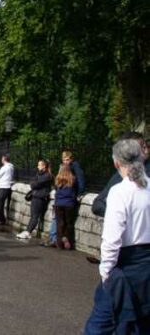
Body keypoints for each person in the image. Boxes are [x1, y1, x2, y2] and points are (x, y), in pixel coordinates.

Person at [84, 139, 150, 334]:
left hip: (126, 267)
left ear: (116, 162)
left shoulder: (119, 192)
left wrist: (106, 273)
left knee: (98, 327)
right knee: (141, 325)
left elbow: (112, 240)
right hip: (146, 268)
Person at [92, 132, 149, 217]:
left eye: (145, 146)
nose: (146, 150)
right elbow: (98, 204)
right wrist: (120, 214)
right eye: (139, 147)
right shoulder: (121, 175)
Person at [16, 159, 53, 239]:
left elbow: (34, 184)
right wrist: (34, 183)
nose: (37, 166)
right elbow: (33, 182)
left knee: (35, 216)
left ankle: (28, 232)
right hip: (35, 196)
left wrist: (34, 183)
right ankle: (27, 231)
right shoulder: (39, 174)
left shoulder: (47, 176)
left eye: (39, 165)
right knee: (33, 215)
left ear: (44, 166)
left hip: (40, 198)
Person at [53, 164, 77, 250]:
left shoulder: (57, 179)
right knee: (69, 223)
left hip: (59, 203)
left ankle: (59, 243)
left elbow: (56, 189)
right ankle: (67, 238)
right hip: (69, 204)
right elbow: (76, 189)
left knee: (60, 223)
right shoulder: (73, 179)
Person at [0, 155, 15, 225]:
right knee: (4, 203)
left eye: (2, 159)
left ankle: (1, 219)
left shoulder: (4, 167)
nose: (1, 160)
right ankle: (2, 218)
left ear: (4, 159)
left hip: (3, 187)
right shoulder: (11, 167)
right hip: (8, 186)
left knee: (0, 204)